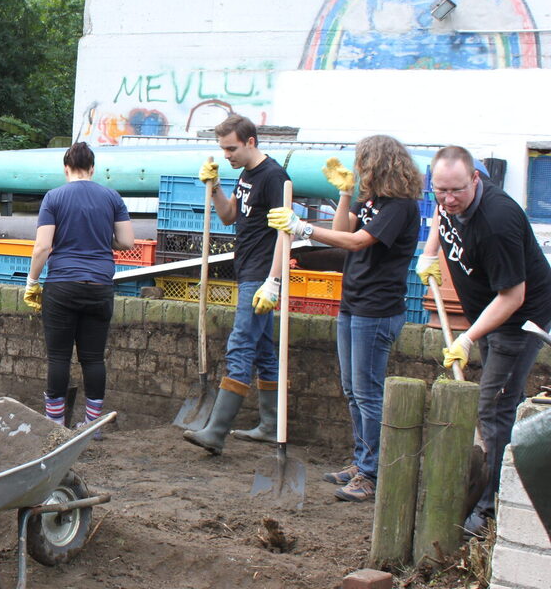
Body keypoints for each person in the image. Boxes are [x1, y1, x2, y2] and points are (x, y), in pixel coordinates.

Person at [268, 136, 422, 501]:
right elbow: (341, 233)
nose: (358, 169)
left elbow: (357, 243)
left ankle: (371, 473)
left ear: (380, 164)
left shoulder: (400, 207)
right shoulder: (374, 202)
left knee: (368, 393)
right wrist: (346, 195)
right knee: (353, 390)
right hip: (354, 303)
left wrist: (302, 228)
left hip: (378, 309)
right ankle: (362, 460)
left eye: (361, 164)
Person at [417, 145, 551, 534]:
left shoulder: (498, 220)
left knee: (494, 409)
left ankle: (491, 506)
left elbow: (513, 297)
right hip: (487, 315)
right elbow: (442, 214)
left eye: (457, 190)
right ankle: (487, 493)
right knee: (489, 407)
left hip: (518, 320)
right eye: (440, 190)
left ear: (476, 179)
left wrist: (468, 338)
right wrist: (429, 252)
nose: (449, 199)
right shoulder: (449, 197)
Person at [182, 114, 290, 456]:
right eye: (223, 149)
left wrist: (273, 282)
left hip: (261, 273)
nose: (227, 155)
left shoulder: (274, 177)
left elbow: (284, 233)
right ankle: (272, 426)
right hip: (247, 269)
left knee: (241, 344)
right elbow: (230, 216)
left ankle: (216, 431)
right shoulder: (245, 174)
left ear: (250, 142)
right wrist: (215, 188)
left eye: (231, 148)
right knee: (262, 350)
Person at [22, 142, 133, 436]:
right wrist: (97, 238)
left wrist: (32, 282)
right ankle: (93, 425)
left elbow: (43, 246)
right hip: (99, 286)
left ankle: (55, 425)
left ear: (66, 168)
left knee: (59, 357)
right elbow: (127, 242)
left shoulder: (54, 197)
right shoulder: (112, 197)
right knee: (93, 357)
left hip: (62, 285)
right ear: (93, 168)